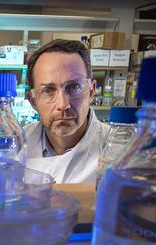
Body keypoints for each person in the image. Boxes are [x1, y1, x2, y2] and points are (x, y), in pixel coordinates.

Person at [25, 39, 109, 183]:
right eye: (48, 90)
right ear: (33, 100)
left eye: (74, 87)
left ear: (91, 91)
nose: (63, 104)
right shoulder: (16, 147)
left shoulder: (118, 149)